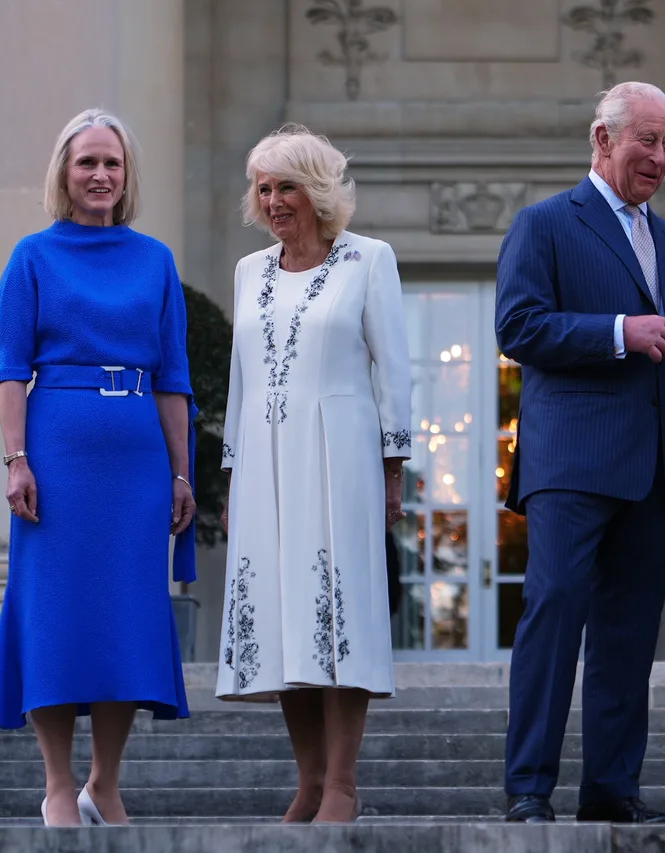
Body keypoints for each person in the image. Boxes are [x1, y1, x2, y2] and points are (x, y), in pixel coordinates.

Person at [0, 108, 197, 827]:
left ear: (127, 175)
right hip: (58, 456)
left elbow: (174, 380)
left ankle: (106, 783)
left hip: (137, 460)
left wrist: (182, 475)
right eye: (87, 162)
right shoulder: (32, 257)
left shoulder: (155, 259)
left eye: (112, 163)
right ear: (64, 174)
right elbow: (9, 373)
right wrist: (16, 461)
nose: (100, 175)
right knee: (56, 616)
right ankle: (59, 785)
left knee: (125, 616)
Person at [495, 82, 665, 824]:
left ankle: (611, 789)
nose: (660, 157)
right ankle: (529, 788)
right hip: (573, 463)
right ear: (603, 139)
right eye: (648, 139)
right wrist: (619, 332)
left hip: (655, 470)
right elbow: (518, 326)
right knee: (554, 617)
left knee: (628, 636)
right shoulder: (545, 223)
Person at [216, 124, 412, 825]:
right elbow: (240, 382)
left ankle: (342, 786)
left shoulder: (369, 259)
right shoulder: (249, 271)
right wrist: (233, 476)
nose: (273, 200)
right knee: (282, 620)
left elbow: (394, 371)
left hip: (341, 459)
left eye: (287, 186)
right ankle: (308, 781)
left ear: (319, 190)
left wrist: (393, 470)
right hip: (264, 462)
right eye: (264, 188)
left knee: (339, 613)